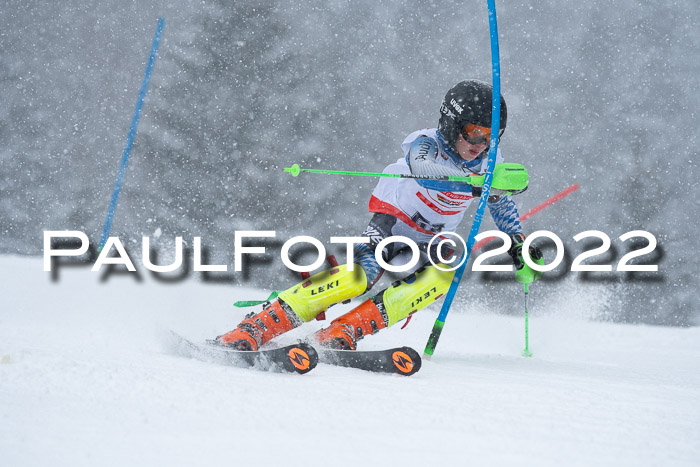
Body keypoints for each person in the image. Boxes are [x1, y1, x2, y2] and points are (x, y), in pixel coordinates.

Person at [215, 79, 543, 351]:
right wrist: (479, 184)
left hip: (432, 241)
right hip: (390, 226)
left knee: (440, 278)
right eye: (474, 132)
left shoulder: (490, 159)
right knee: (359, 277)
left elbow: (499, 202)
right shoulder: (426, 144)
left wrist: (518, 243)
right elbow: (426, 171)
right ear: (452, 123)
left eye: (492, 136)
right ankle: (256, 327)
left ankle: (341, 333)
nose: (481, 145)